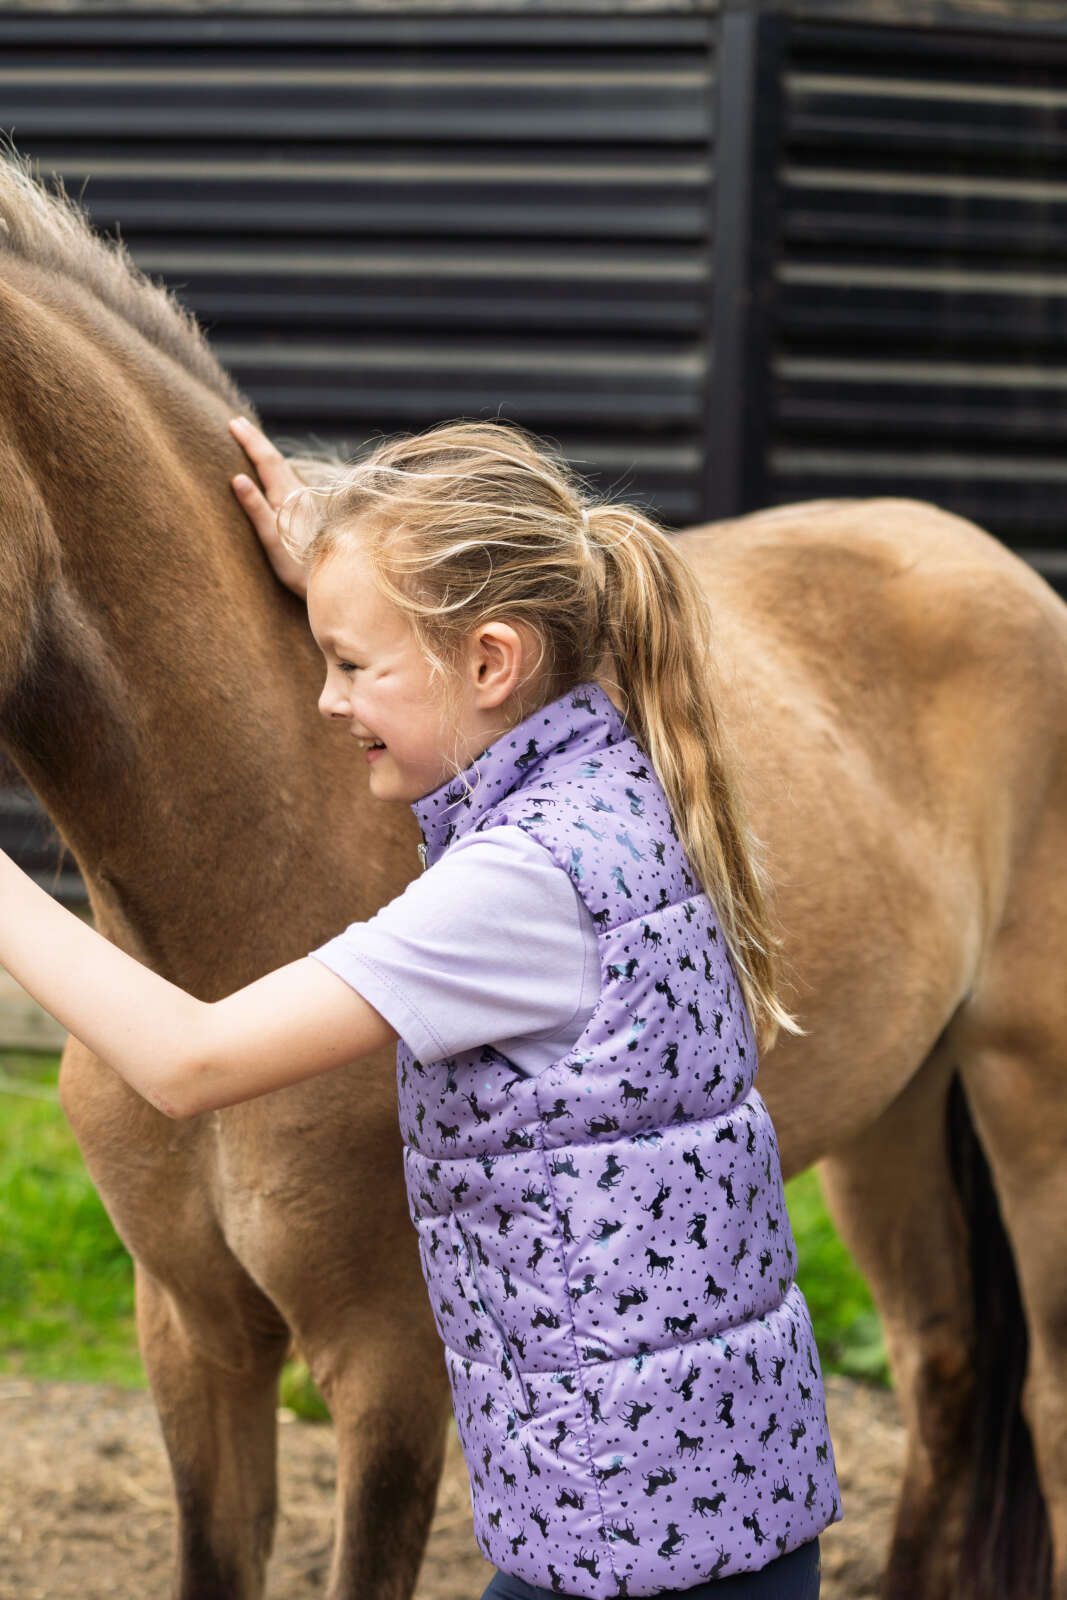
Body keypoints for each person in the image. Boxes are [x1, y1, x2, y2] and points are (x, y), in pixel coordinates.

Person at [0, 414, 839, 1598]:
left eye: (350, 665)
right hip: (701, 1501)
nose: (329, 701)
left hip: (624, 1540)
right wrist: (360, 574)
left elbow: (185, 1058)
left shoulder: (511, 890)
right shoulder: (610, 766)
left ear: (493, 663)